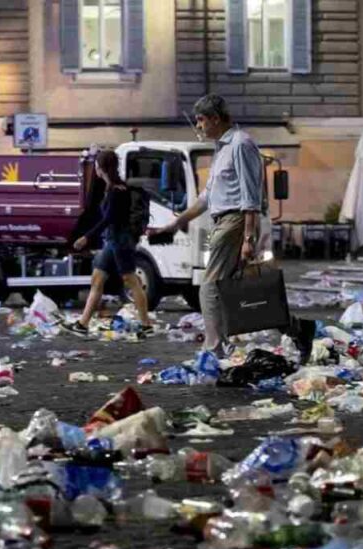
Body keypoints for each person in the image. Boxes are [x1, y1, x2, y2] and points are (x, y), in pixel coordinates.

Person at [149, 94, 316, 361]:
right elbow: (206, 197)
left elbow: (251, 194)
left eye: (201, 120)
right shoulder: (221, 149)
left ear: (216, 118)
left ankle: (213, 352)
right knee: (240, 293)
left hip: (235, 221)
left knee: (209, 286)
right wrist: (175, 224)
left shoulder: (241, 144)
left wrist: (249, 238)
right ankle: (297, 328)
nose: (198, 126)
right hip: (223, 221)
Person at [66, 150, 152, 337]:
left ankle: (146, 325)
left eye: (96, 164)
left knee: (132, 281)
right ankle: (82, 324)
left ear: (101, 167)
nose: (95, 168)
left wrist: (86, 237)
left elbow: (108, 219)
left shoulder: (116, 190)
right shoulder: (113, 187)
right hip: (112, 241)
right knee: (97, 279)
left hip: (120, 242)